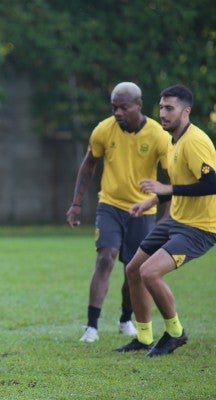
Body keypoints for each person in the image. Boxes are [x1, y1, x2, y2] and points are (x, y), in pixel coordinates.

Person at [115, 84, 216, 356]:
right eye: (161, 107)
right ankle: (144, 337)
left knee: (149, 272)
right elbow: (182, 182)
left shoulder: (195, 141)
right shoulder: (173, 139)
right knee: (133, 269)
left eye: (169, 108)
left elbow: (212, 183)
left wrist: (167, 190)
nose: (163, 113)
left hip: (200, 228)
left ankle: (175, 332)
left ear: (186, 111)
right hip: (177, 220)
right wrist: (152, 200)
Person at [66, 82, 172, 343]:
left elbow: (171, 178)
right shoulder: (104, 130)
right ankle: (91, 326)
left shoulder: (158, 135)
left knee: (133, 270)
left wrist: (166, 215)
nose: (117, 112)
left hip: (143, 210)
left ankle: (126, 318)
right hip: (110, 205)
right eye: (114, 107)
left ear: (138, 105)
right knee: (105, 257)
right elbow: (89, 164)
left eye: (123, 107)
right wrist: (76, 203)